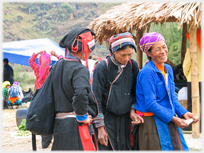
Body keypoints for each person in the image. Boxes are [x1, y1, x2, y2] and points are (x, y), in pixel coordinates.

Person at [134, 32, 199, 150]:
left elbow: (172, 97)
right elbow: (150, 104)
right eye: (157, 49)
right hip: (152, 123)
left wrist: (184, 113)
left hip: (167, 117)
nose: (163, 51)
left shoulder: (167, 69)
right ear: (148, 53)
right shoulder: (148, 72)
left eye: (164, 47)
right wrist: (174, 119)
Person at [92, 32, 143, 150]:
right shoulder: (102, 67)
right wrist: (100, 127)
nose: (126, 59)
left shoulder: (132, 65)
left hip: (125, 120)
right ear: (113, 52)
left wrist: (132, 110)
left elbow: (134, 91)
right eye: (122, 55)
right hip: (106, 119)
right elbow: (96, 98)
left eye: (130, 55)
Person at [50, 27, 98, 150]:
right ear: (86, 48)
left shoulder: (58, 65)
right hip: (75, 125)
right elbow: (81, 93)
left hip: (59, 124)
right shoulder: (79, 69)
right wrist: (82, 116)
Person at [28, 50, 62, 149]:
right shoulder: (51, 70)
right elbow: (62, 62)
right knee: (51, 117)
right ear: (49, 61)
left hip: (38, 97)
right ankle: (51, 141)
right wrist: (56, 55)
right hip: (50, 96)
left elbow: (30, 61)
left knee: (43, 117)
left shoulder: (37, 69)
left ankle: (45, 143)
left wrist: (38, 52)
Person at [182, 29, 202, 132]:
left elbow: (186, 66)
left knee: (191, 103)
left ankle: (191, 125)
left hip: (193, 79)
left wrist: (188, 76)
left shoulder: (191, 50)